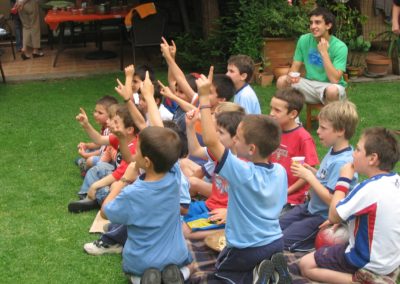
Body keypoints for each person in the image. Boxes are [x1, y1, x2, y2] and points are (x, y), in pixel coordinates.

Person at [196, 67, 291, 283]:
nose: (233, 142)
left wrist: (203, 99)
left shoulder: (243, 171)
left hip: (245, 247)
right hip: (276, 242)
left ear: (251, 149)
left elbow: (211, 141)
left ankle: (256, 278)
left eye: (238, 138)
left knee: (218, 277)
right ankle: (268, 273)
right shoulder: (280, 171)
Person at [101, 80, 193, 283]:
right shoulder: (174, 175)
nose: (136, 152)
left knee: (137, 273)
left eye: (138, 149)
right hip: (175, 256)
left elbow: (105, 211)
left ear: (147, 161)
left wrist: (120, 184)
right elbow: (160, 132)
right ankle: (179, 274)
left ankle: (144, 279)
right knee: (190, 264)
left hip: (141, 261)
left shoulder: (132, 193)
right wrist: (150, 97)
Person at [299, 127, 400, 283]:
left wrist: (343, 179)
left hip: (367, 261)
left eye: (358, 150)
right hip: (391, 259)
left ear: (372, 158)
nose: (353, 154)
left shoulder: (368, 189)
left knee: (306, 264)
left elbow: (333, 214)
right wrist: (339, 219)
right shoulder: (395, 180)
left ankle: (362, 280)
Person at [279, 100, 359, 252]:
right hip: (310, 208)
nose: (318, 131)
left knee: (282, 243)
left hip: (323, 217)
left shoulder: (343, 162)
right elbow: (327, 180)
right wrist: (312, 171)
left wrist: (309, 177)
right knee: (273, 228)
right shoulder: (334, 150)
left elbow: (332, 199)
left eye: (323, 128)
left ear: (340, 130)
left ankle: (313, 246)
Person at [183, 110, 245, 240]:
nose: (215, 135)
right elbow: (195, 150)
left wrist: (230, 213)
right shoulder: (220, 152)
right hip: (208, 205)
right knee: (171, 214)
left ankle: (227, 230)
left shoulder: (244, 164)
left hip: (223, 213)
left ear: (236, 138)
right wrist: (190, 126)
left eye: (221, 132)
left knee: (184, 230)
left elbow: (251, 199)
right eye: (216, 130)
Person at [68, 105, 139, 213]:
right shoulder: (120, 137)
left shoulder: (134, 147)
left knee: (108, 190)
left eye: (116, 122)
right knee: (97, 169)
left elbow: (119, 174)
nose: (109, 123)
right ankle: (86, 197)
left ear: (129, 130)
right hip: (117, 175)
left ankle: (98, 198)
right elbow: (99, 139)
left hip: (127, 182)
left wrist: (95, 185)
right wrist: (86, 125)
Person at [276, 7, 348, 105]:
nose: (313, 26)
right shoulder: (304, 40)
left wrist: (324, 53)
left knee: (332, 91)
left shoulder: (340, 46)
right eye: (311, 23)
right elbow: (295, 68)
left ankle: (331, 119)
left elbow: (334, 79)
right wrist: (290, 76)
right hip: (309, 85)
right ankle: (293, 119)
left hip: (331, 87)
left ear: (328, 25)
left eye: (317, 22)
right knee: (282, 81)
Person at [269, 88, 319, 213]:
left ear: (292, 114)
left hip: (292, 198)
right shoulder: (273, 132)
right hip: (271, 192)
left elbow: (308, 173)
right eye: (271, 108)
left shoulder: (304, 138)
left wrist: (286, 192)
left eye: (277, 110)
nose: (271, 113)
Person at [76, 95, 118, 172]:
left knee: (90, 160)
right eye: (95, 111)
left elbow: (102, 152)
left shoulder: (111, 130)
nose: (95, 114)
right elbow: (99, 144)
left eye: (100, 113)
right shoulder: (105, 127)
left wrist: (86, 155)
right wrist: (87, 145)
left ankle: (85, 168)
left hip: (109, 160)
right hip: (104, 153)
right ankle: (84, 161)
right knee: (88, 150)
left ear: (111, 115)